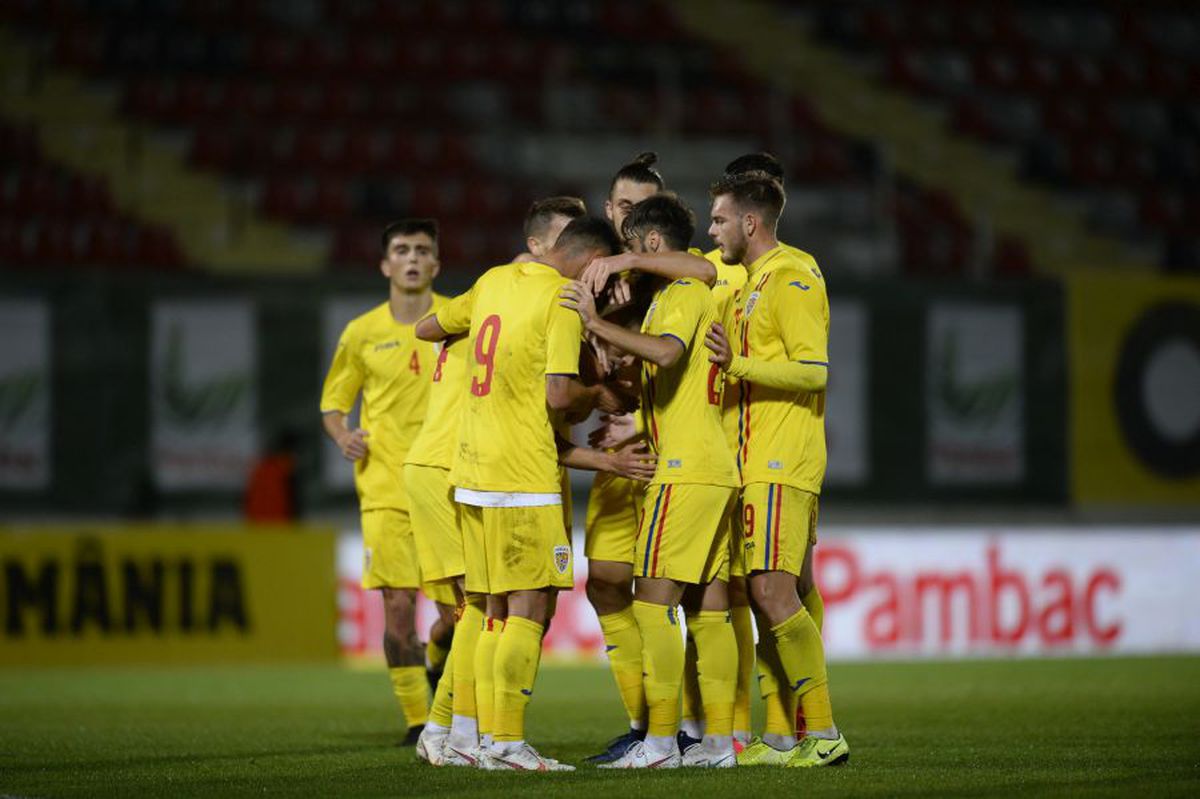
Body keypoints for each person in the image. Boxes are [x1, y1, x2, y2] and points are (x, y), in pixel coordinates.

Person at [415, 215, 624, 771]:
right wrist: (597, 392)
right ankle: (505, 743)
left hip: (473, 472)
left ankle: (470, 735)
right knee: (529, 607)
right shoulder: (561, 299)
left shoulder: (492, 281)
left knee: (489, 610)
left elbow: (428, 328)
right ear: (588, 260)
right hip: (524, 475)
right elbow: (559, 395)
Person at [561, 193, 740, 769]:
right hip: (714, 466)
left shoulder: (681, 294)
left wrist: (593, 323)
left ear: (651, 245)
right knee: (709, 607)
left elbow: (666, 354)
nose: (630, 259)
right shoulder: (686, 291)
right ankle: (716, 745)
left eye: (634, 249)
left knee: (652, 602)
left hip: (685, 469)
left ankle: (660, 742)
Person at [704, 172, 849, 767]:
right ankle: (785, 734)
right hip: (751, 460)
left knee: (772, 590)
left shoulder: (792, 275)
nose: (711, 231)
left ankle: (825, 732)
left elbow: (814, 370)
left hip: (782, 458)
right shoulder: (749, 284)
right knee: (763, 594)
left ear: (750, 222)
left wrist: (738, 365)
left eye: (717, 220)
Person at [320, 219, 459, 744]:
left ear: (436, 264)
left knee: (453, 615)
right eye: (402, 250)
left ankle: (439, 659)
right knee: (398, 606)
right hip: (383, 489)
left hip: (445, 485)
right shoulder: (361, 333)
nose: (413, 258)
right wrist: (342, 436)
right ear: (385, 265)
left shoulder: (455, 320)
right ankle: (417, 721)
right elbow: (334, 404)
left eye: (423, 250)